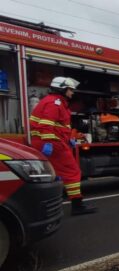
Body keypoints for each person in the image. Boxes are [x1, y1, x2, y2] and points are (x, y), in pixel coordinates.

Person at [29, 77, 97, 215]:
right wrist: (48, 142)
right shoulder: (55, 103)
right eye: (70, 90)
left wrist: (70, 139)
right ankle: (77, 206)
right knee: (72, 172)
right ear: (62, 89)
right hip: (52, 143)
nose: (72, 93)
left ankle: (43, 206)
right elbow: (46, 125)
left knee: (55, 175)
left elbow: (60, 126)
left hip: (53, 141)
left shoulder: (56, 102)